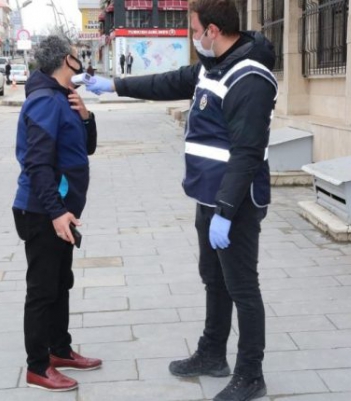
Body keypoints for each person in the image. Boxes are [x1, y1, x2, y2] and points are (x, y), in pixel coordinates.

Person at [86, 1, 277, 400]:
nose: (192, 36)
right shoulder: (214, 65)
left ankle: (251, 373)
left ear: (212, 31)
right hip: (209, 197)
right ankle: (211, 354)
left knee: (243, 287)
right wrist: (115, 86)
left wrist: (226, 211)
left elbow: (247, 153)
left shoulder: (250, 79)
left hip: (235, 203)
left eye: (193, 29)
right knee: (214, 280)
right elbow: (168, 82)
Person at [12, 35, 101, 392]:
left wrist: (87, 116)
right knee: (42, 289)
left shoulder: (64, 98)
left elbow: (86, 148)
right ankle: (38, 366)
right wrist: (55, 212)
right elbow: (37, 163)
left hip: (61, 209)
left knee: (61, 283)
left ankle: (59, 349)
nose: (80, 59)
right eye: (77, 55)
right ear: (68, 59)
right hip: (43, 210)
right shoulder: (45, 101)